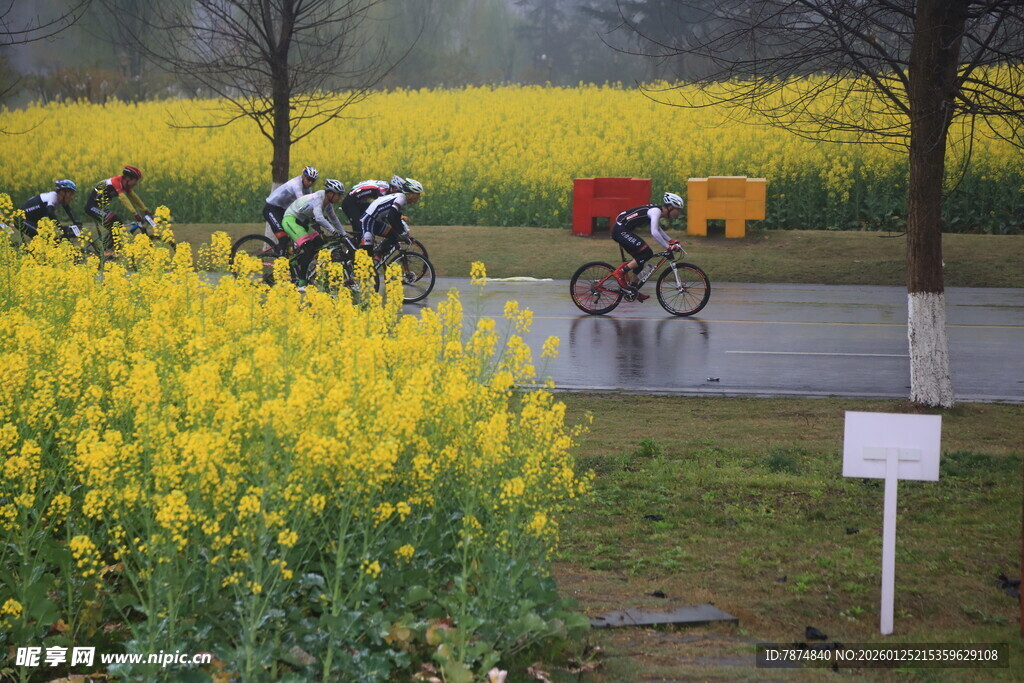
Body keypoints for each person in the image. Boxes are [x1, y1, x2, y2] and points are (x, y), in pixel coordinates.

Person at [609, 192, 685, 300]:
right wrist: (667, 247)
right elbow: (654, 232)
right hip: (620, 230)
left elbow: (657, 228)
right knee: (647, 253)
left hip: (623, 229)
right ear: (670, 207)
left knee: (640, 260)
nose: (678, 213)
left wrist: (670, 240)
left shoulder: (657, 212)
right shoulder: (656, 211)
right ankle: (620, 272)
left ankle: (633, 290)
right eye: (678, 210)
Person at [281, 178, 347, 289]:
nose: (339, 198)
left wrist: (344, 234)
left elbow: (334, 219)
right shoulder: (318, 198)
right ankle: (302, 283)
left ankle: (299, 263)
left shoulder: (327, 203)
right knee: (308, 247)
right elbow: (319, 218)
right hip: (290, 220)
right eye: (338, 195)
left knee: (320, 244)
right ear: (330, 193)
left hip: (301, 222)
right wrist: (333, 232)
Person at [84, 165, 152, 249]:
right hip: (92, 207)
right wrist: (135, 213)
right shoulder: (116, 181)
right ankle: (106, 249)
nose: (136, 183)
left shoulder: (124, 184)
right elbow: (123, 198)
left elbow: (133, 197)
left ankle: (109, 247)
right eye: (136, 180)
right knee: (116, 222)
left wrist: (145, 209)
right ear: (128, 178)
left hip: (100, 207)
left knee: (117, 224)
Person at [358, 178, 423, 259]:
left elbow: (397, 218)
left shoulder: (403, 200)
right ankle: (359, 263)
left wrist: (403, 232)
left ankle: (378, 256)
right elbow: (391, 217)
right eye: (417, 194)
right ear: (410, 193)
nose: (419, 197)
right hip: (368, 220)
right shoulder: (401, 198)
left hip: (375, 221)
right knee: (367, 251)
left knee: (394, 235)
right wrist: (402, 232)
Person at [263, 166, 318, 245]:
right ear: (303, 176)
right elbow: (301, 202)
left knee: (299, 228)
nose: (310, 183)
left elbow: (310, 203)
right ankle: (280, 252)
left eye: (313, 181)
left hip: (284, 211)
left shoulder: (307, 189)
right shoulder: (296, 184)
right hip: (271, 208)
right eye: (309, 179)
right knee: (283, 238)